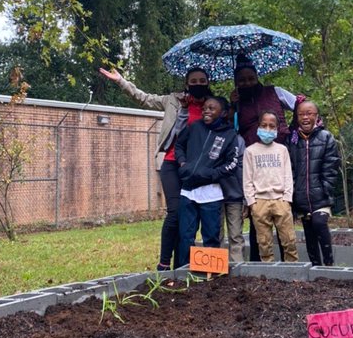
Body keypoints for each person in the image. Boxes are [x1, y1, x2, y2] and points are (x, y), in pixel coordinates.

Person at [99, 64, 214, 270]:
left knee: (188, 216)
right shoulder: (173, 100)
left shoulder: (212, 106)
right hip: (170, 162)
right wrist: (121, 81)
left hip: (196, 168)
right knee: (175, 211)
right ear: (187, 83)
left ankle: (182, 263)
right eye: (193, 81)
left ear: (208, 83)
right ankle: (163, 263)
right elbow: (144, 98)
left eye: (202, 82)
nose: (198, 85)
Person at [231, 55, 301, 261]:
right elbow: (230, 128)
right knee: (258, 226)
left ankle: (289, 262)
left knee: (284, 223)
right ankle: (259, 262)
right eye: (242, 80)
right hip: (253, 160)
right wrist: (231, 106)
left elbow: (300, 104)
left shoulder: (275, 92)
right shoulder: (236, 102)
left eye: (250, 78)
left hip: (279, 158)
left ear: (256, 76)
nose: (247, 83)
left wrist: (294, 130)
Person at [173, 94, 242, 273]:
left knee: (211, 237)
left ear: (224, 113)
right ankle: (183, 273)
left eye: (212, 108)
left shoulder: (229, 135)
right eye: (205, 108)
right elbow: (179, 145)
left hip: (212, 193)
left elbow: (232, 163)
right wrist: (182, 164)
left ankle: (209, 275)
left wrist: (212, 174)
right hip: (188, 191)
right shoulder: (194, 127)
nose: (206, 111)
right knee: (186, 236)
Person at [289, 100, 342, 266]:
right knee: (309, 232)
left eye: (309, 113)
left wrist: (325, 189)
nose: (305, 117)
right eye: (301, 114)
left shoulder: (326, 137)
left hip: (320, 196)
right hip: (301, 197)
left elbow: (331, 167)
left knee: (319, 223)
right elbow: (290, 167)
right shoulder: (293, 139)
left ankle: (329, 263)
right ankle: (316, 266)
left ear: (316, 116)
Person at [243, 112, 297, 263]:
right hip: (259, 201)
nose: (267, 129)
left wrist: (287, 198)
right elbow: (247, 178)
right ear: (258, 127)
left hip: (281, 200)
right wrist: (251, 202)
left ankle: (292, 270)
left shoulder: (282, 150)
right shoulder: (250, 151)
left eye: (271, 126)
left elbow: (288, 175)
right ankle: (269, 272)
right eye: (264, 125)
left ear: (277, 129)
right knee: (264, 242)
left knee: (289, 239)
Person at [215, 96, 246, 265]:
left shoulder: (239, 140)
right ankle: (218, 268)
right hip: (215, 194)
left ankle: (238, 268)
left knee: (235, 235)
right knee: (216, 234)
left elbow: (242, 170)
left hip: (235, 196)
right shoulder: (210, 137)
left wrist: (245, 197)